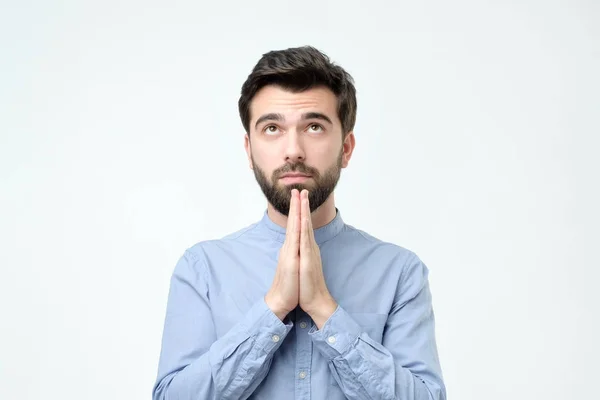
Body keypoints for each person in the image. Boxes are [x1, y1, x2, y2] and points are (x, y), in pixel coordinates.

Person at [152, 45, 446, 400]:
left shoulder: (400, 273)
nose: (293, 150)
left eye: (314, 126)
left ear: (346, 148)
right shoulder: (202, 270)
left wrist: (324, 308)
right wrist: (273, 306)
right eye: (272, 127)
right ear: (249, 149)